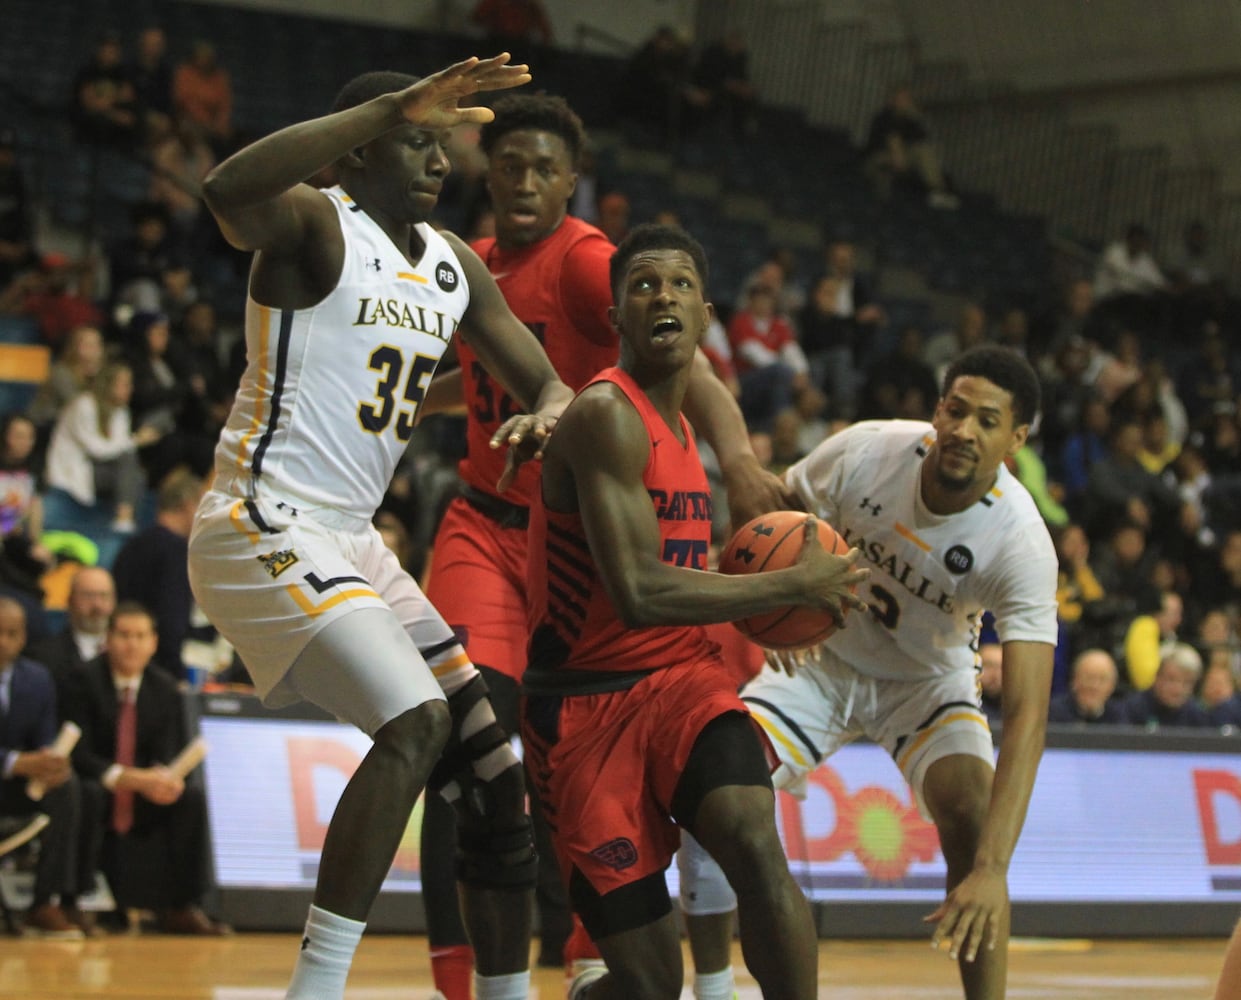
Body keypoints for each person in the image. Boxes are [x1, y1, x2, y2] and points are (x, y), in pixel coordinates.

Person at [186, 56, 573, 1000]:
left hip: (352, 538)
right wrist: (392, 102)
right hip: (260, 517)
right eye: (415, 140)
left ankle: (504, 991)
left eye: (443, 144)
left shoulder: (451, 262)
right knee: (416, 721)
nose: (439, 161)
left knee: (491, 772)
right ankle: (313, 988)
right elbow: (223, 189)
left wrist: (552, 407)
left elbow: (544, 377)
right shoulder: (318, 220)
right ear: (360, 149)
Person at [420, 92, 791, 1000]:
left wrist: (737, 460)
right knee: (465, 744)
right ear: (486, 171)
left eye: (545, 169)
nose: (524, 182)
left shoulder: (589, 262)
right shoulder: (472, 264)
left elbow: (684, 356)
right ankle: (468, 976)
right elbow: (475, 375)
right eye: (509, 166)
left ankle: (598, 947)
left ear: (570, 181)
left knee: (575, 737)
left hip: (570, 535)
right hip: (483, 522)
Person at [521, 223, 866, 1000]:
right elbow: (641, 592)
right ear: (614, 320)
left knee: (754, 844)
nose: (661, 296)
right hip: (581, 706)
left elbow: (678, 577)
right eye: (641, 285)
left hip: (681, 681)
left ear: (706, 316)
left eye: (678, 284)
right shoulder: (606, 414)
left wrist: (762, 591)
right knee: (647, 989)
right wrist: (785, 590)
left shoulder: (684, 419)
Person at [686, 345, 1059, 1000]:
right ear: (936, 410)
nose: (964, 430)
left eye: (987, 420)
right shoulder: (867, 450)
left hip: (925, 679)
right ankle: (714, 989)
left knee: (973, 823)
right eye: (955, 409)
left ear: (1014, 439)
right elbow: (774, 515)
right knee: (714, 792)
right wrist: (773, 597)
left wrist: (994, 870)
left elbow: (1028, 714)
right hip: (821, 658)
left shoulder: (1020, 540)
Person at [64, 602, 227, 934]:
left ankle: (182, 906)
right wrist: (126, 778)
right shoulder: (82, 680)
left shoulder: (164, 687)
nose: (132, 644)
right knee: (86, 793)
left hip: (142, 792)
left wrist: (166, 780)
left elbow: (168, 752)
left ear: (153, 642)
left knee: (190, 799)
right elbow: (79, 754)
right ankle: (76, 902)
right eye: (123, 635)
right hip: (98, 784)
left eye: (140, 636)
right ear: (108, 639)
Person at [0, 597, 101, 937]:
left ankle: (47, 901)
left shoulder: (37, 679)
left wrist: (51, 763)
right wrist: (14, 761)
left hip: (17, 789)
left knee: (70, 786)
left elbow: (44, 739)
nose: (3, 641)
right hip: (9, 774)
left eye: (11, 633)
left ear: (23, 638)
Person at [44, 361, 160, 533]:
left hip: (100, 470)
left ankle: (125, 523)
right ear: (108, 384)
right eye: (125, 384)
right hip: (73, 471)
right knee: (129, 460)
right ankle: (123, 522)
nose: (130, 389)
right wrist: (136, 440)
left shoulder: (121, 412)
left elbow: (117, 448)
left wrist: (131, 442)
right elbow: (96, 449)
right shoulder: (83, 405)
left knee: (137, 475)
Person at [112, 468, 205, 682]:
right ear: (190, 505)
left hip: (128, 664)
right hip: (161, 673)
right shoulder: (176, 552)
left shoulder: (131, 546)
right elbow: (172, 620)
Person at [1122, 643, 1209, 728]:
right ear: (1157, 676)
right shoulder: (1132, 709)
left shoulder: (1197, 715)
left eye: (1187, 682)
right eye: (1171, 680)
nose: (1178, 689)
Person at [1047, 648, 1124, 724]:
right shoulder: (1054, 713)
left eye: (1102, 680)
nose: (1094, 686)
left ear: (1112, 686)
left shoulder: (1119, 717)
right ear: (1075, 680)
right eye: (1089, 678)